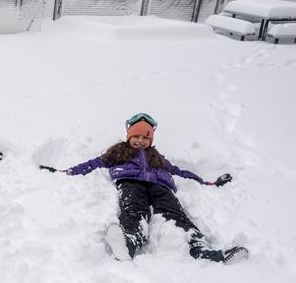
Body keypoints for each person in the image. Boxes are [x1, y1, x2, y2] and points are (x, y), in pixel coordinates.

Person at [53, 113, 248, 264]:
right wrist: (67, 172)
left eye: (145, 138)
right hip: (130, 182)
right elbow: (94, 163)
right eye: (136, 136)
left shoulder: (156, 156)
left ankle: (201, 249)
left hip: (160, 186)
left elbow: (177, 170)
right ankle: (129, 241)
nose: (140, 140)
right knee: (135, 210)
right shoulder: (119, 151)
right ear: (129, 136)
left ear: (151, 140)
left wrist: (206, 182)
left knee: (175, 213)